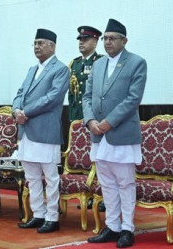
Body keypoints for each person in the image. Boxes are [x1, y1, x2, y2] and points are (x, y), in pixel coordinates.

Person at [84, 19, 147, 248]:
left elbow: (133, 99)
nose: (107, 42)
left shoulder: (137, 63)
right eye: (105, 38)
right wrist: (90, 120)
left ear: (124, 40)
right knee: (107, 183)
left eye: (112, 38)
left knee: (125, 183)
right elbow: (86, 96)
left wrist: (108, 122)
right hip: (98, 135)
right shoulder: (98, 64)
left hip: (120, 134)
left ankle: (127, 229)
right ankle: (112, 226)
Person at [12, 29, 69, 233]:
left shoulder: (60, 69)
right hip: (26, 129)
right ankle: (38, 214)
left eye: (41, 43)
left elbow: (52, 98)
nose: (36, 46)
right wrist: (15, 110)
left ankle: (52, 217)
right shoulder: (31, 69)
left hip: (45, 130)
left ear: (52, 46)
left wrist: (25, 111)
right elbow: (20, 93)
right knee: (32, 176)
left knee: (50, 177)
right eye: (35, 43)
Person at [68, 26, 106, 212]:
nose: (81, 42)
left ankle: (103, 194)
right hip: (77, 119)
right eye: (80, 39)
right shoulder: (74, 64)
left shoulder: (101, 62)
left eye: (85, 39)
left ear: (96, 41)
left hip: (96, 119)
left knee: (99, 158)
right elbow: (72, 95)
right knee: (83, 158)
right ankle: (87, 193)